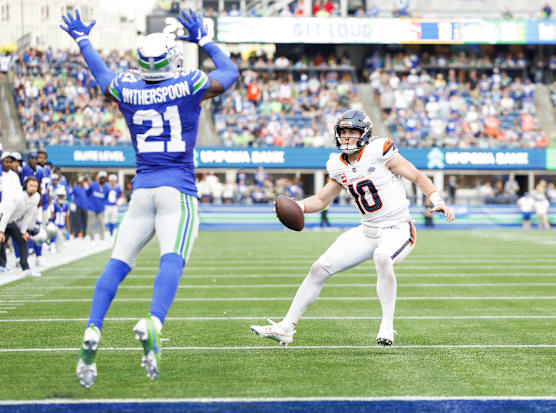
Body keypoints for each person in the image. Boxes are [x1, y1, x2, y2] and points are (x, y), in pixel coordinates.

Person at [61, 8, 238, 388]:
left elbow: (101, 73)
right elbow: (230, 73)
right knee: (171, 258)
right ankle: (154, 321)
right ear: (170, 59)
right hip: (178, 189)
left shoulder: (126, 89)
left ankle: (93, 328)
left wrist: (82, 39)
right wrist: (204, 39)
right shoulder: (189, 83)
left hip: (141, 190)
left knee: (117, 263)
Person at [250, 109, 454, 347]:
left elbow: (417, 176)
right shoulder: (337, 164)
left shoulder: (380, 150)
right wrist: (298, 206)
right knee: (319, 268)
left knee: (382, 257)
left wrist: (437, 200)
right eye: (343, 132)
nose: (347, 137)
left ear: (364, 133)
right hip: (367, 230)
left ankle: (387, 325)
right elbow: (322, 199)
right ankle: (286, 327)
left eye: (353, 131)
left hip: (398, 227)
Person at [0, 153, 38, 276]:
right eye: (31, 185)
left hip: (10, 220)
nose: (33, 188)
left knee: (22, 240)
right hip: (2, 216)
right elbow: (7, 211)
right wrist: (0, 230)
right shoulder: (17, 198)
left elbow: (28, 215)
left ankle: (26, 268)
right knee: (1, 241)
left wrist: (23, 231)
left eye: (35, 186)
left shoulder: (35, 197)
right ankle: (1, 265)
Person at [86, 171, 108, 241]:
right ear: (99, 178)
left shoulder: (107, 187)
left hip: (101, 208)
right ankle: (92, 238)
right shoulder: (92, 185)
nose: (102, 179)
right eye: (101, 178)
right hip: (91, 208)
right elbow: (87, 193)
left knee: (101, 223)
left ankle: (102, 238)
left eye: (104, 178)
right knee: (91, 223)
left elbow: (105, 197)